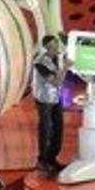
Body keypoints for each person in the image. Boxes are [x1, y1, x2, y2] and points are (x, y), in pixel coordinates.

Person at [28, 33, 67, 169]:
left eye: (57, 45)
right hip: (44, 98)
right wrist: (66, 67)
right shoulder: (40, 63)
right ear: (47, 47)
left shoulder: (58, 58)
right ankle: (42, 159)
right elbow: (56, 82)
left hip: (56, 97)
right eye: (53, 46)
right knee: (46, 127)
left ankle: (52, 158)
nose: (56, 48)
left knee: (58, 127)